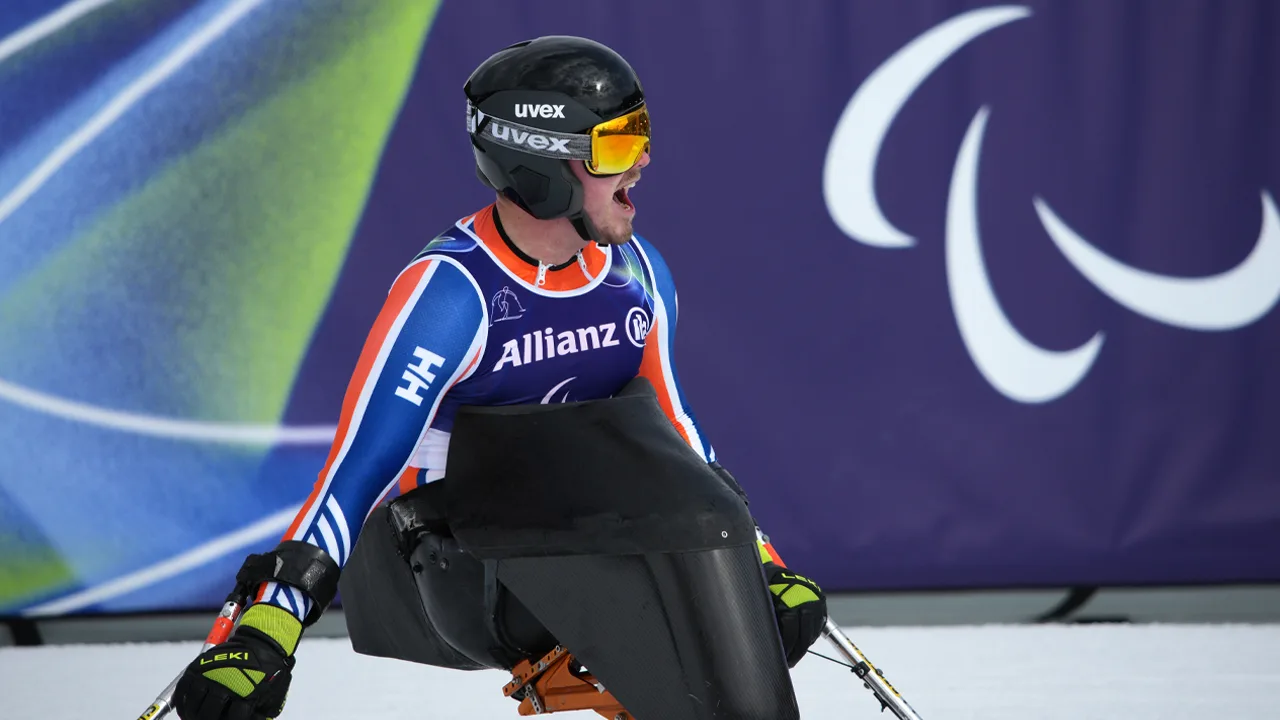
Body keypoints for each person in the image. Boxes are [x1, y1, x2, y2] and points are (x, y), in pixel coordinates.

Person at [173, 35, 827, 720]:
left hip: (593, 529)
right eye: (615, 146)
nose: (642, 162)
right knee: (686, 608)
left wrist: (761, 564)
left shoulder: (636, 272)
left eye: (641, 135)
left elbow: (679, 438)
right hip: (467, 571)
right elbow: (355, 475)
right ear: (540, 163)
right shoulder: (451, 297)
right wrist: (266, 633)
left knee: (683, 551)